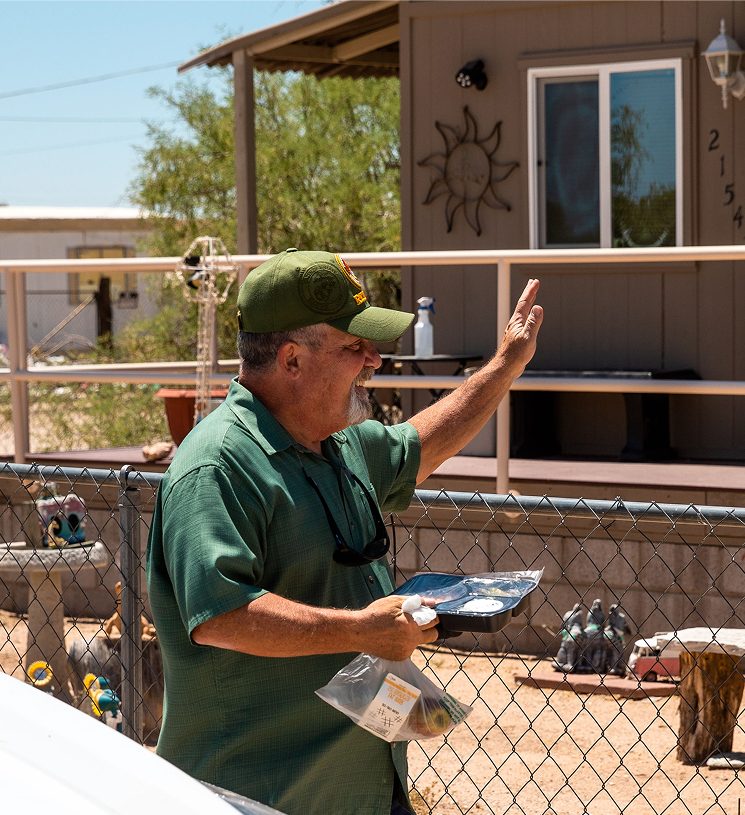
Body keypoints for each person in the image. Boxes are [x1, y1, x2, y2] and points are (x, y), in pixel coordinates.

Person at [146, 249, 544, 815]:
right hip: (251, 795)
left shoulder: (336, 443)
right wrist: (362, 629)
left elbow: (422, 441)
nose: (374, 359)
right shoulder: (216, 467)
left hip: (363, 790)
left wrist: (505, 366)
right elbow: (221, 617)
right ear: (290, 361)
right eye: (353, 346)